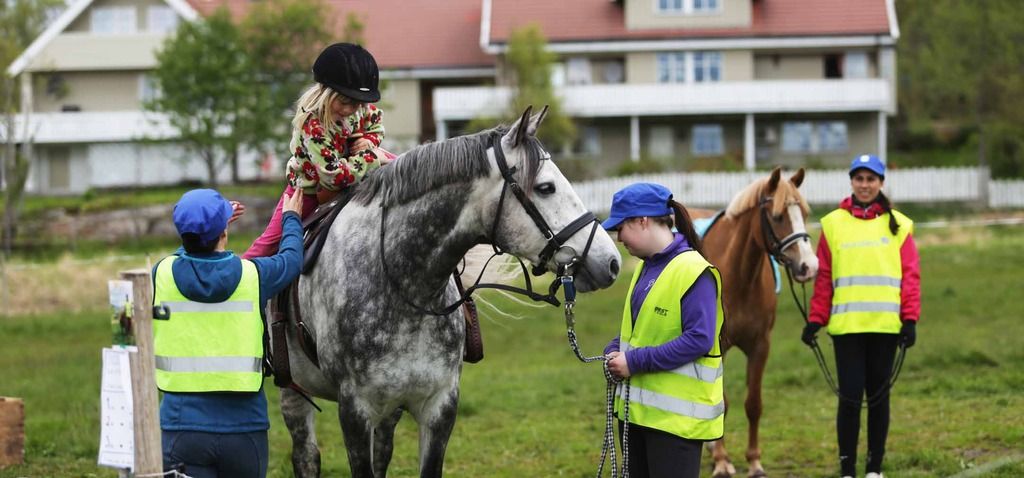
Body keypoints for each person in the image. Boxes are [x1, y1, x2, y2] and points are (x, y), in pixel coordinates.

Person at [153, 187, 304, 477]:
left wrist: (204, 230)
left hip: (180, 428)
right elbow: (291, 259)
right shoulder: (254, 276)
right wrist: (292, 218)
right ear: (223, 232)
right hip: (244, 431)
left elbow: (185, 256)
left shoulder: (161, 273)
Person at [801, 154, 921, 478]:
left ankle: (875, 469)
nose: (865, 185)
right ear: (851, 182)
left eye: (871, 179)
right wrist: (816, 318)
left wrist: (910, 319)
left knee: (879, 400)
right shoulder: (833, 224)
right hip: (848, 329)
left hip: (885, 328)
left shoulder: (900, 224)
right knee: (850, 400)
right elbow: (824, 277)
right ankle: (847, 470)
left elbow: (910, 277)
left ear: (881, 183)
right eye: (859, 179)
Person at [601, 183, 725, 478]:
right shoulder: (646, 268)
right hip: (638, 416)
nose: (618, 238)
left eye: (621, 227)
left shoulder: (693, 271)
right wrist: (614, 349)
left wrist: (633, 363)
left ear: (642, 220)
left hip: (676, 425)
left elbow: (699, 339)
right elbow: (638, 330)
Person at [244, 42, 392, 259]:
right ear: (327, 94)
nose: (351, 110)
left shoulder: (359, 107)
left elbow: (376, 125)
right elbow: (333, 176)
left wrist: (369, 141)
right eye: (344, 102)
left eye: (358, 104)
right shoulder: (313, 126)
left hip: (357, 168)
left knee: (407, 167)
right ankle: (238, 278)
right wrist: (372, 157)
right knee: (268, 244)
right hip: (312, 189)